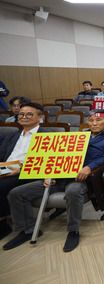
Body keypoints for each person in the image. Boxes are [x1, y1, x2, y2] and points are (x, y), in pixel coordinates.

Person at [4, 110, 104, 252]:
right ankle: (27, 230)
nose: (94, 123)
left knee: (73, 191)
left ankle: (73, 231)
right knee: (16, 193)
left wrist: (89, 167)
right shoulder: (79, 135)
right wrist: (48, 173)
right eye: (91, 120)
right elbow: (57, 155)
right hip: (58, 177)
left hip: (80, 178)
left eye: (98, 120)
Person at [0, 103, 45, 240]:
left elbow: (44, 161)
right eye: (21, 114)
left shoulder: (46, 135)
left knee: (1, 186)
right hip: (6, 168)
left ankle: (3, 223)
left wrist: (21, 169)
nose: (24, 117)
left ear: (40, 117)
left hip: (28, 171)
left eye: (29, 114)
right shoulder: (13, 135)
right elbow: (2, 155)